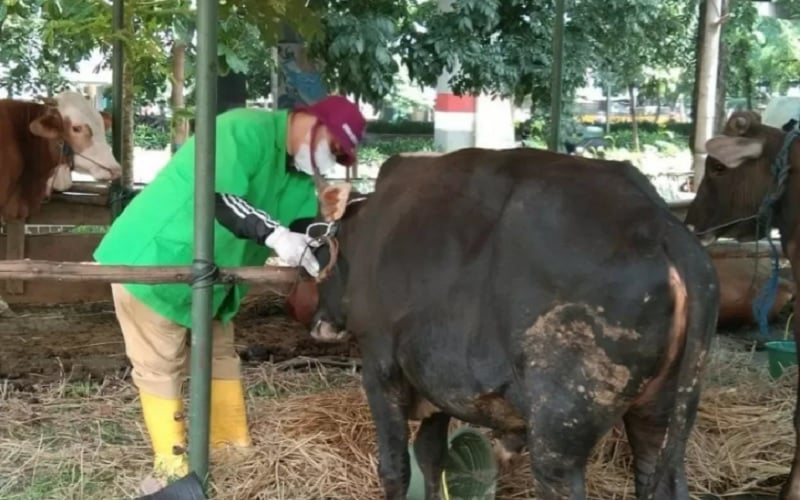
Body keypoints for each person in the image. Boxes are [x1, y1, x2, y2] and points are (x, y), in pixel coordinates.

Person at [93, 95, 367, 481]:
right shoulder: (244, 129)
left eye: (337, 156)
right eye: (331, 146)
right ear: (307, 119)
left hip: (215, 279)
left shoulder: (299, 180)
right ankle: (172, 463)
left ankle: (233, 448)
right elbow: (218, 196)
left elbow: (303, 222)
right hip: (154, 256)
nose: (328, 159)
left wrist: (328, 236)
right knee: (159, 360)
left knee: (220, 353)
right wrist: (275, 235)